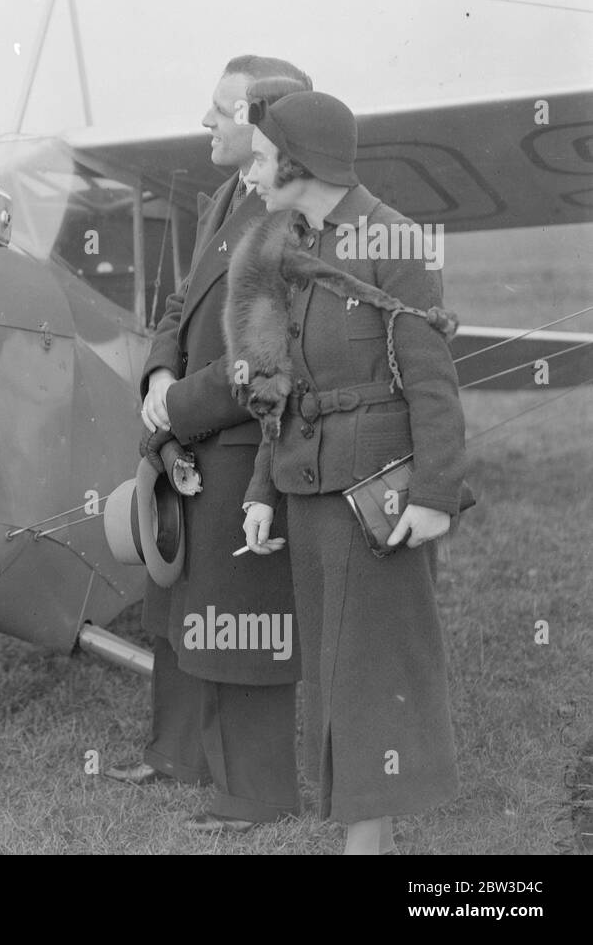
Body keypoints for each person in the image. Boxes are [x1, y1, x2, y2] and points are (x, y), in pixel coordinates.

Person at [239, 91, 467, 855]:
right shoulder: (293, 242)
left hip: (379, 499)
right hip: (308, 491)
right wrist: (262, 491)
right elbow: (280, 383)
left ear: (298, 163)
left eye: (263, 157)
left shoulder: (393, 242)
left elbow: (434, 382)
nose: (252, 172)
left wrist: (434, 495)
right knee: (337, 678)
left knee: (370, 677)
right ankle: (370, 837)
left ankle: (364, 849)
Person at [105, 56, 309, 834]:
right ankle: (179, 754)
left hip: (236, 443)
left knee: (241, 618)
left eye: (220, 111)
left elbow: (265, 357)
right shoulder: (224, 194)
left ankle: (254, 792)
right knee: (177, 607)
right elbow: (182, 303)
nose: (205, 122)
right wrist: (159, 374)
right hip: (189, 432)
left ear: (265, 125)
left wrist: (175, 409)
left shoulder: (288, 216)